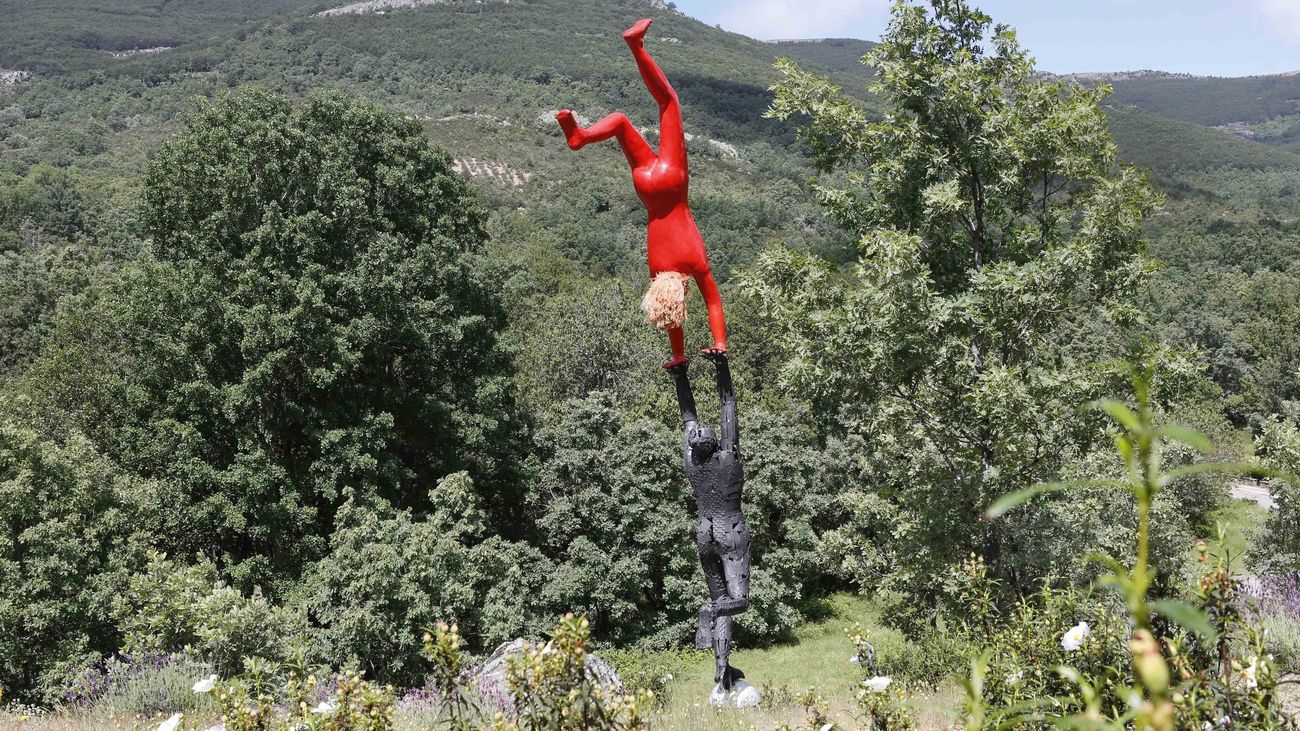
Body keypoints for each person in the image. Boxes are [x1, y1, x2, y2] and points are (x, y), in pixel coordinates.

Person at [556, 18, 727, 369]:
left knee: (667, 103)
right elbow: (673, 313)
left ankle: (583, 135)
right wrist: (708, 348)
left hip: (666, 182)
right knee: (642, 113)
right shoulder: (657, 267)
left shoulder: (690, 262)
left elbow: (707, 301)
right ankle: (584, 131)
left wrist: (712, 344)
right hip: (650, 188)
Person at [668, 350, 750, 689]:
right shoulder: (727, 458)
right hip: (731, 531)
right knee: (737, 602)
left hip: (704, 533)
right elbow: (727, 407)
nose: (700, 427)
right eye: (701, 429)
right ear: (712, 441)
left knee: (722, 600)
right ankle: (708, 614)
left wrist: (680, 374)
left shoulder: (693, 463)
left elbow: (687, 415)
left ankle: (722, 669)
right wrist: (722, 365)